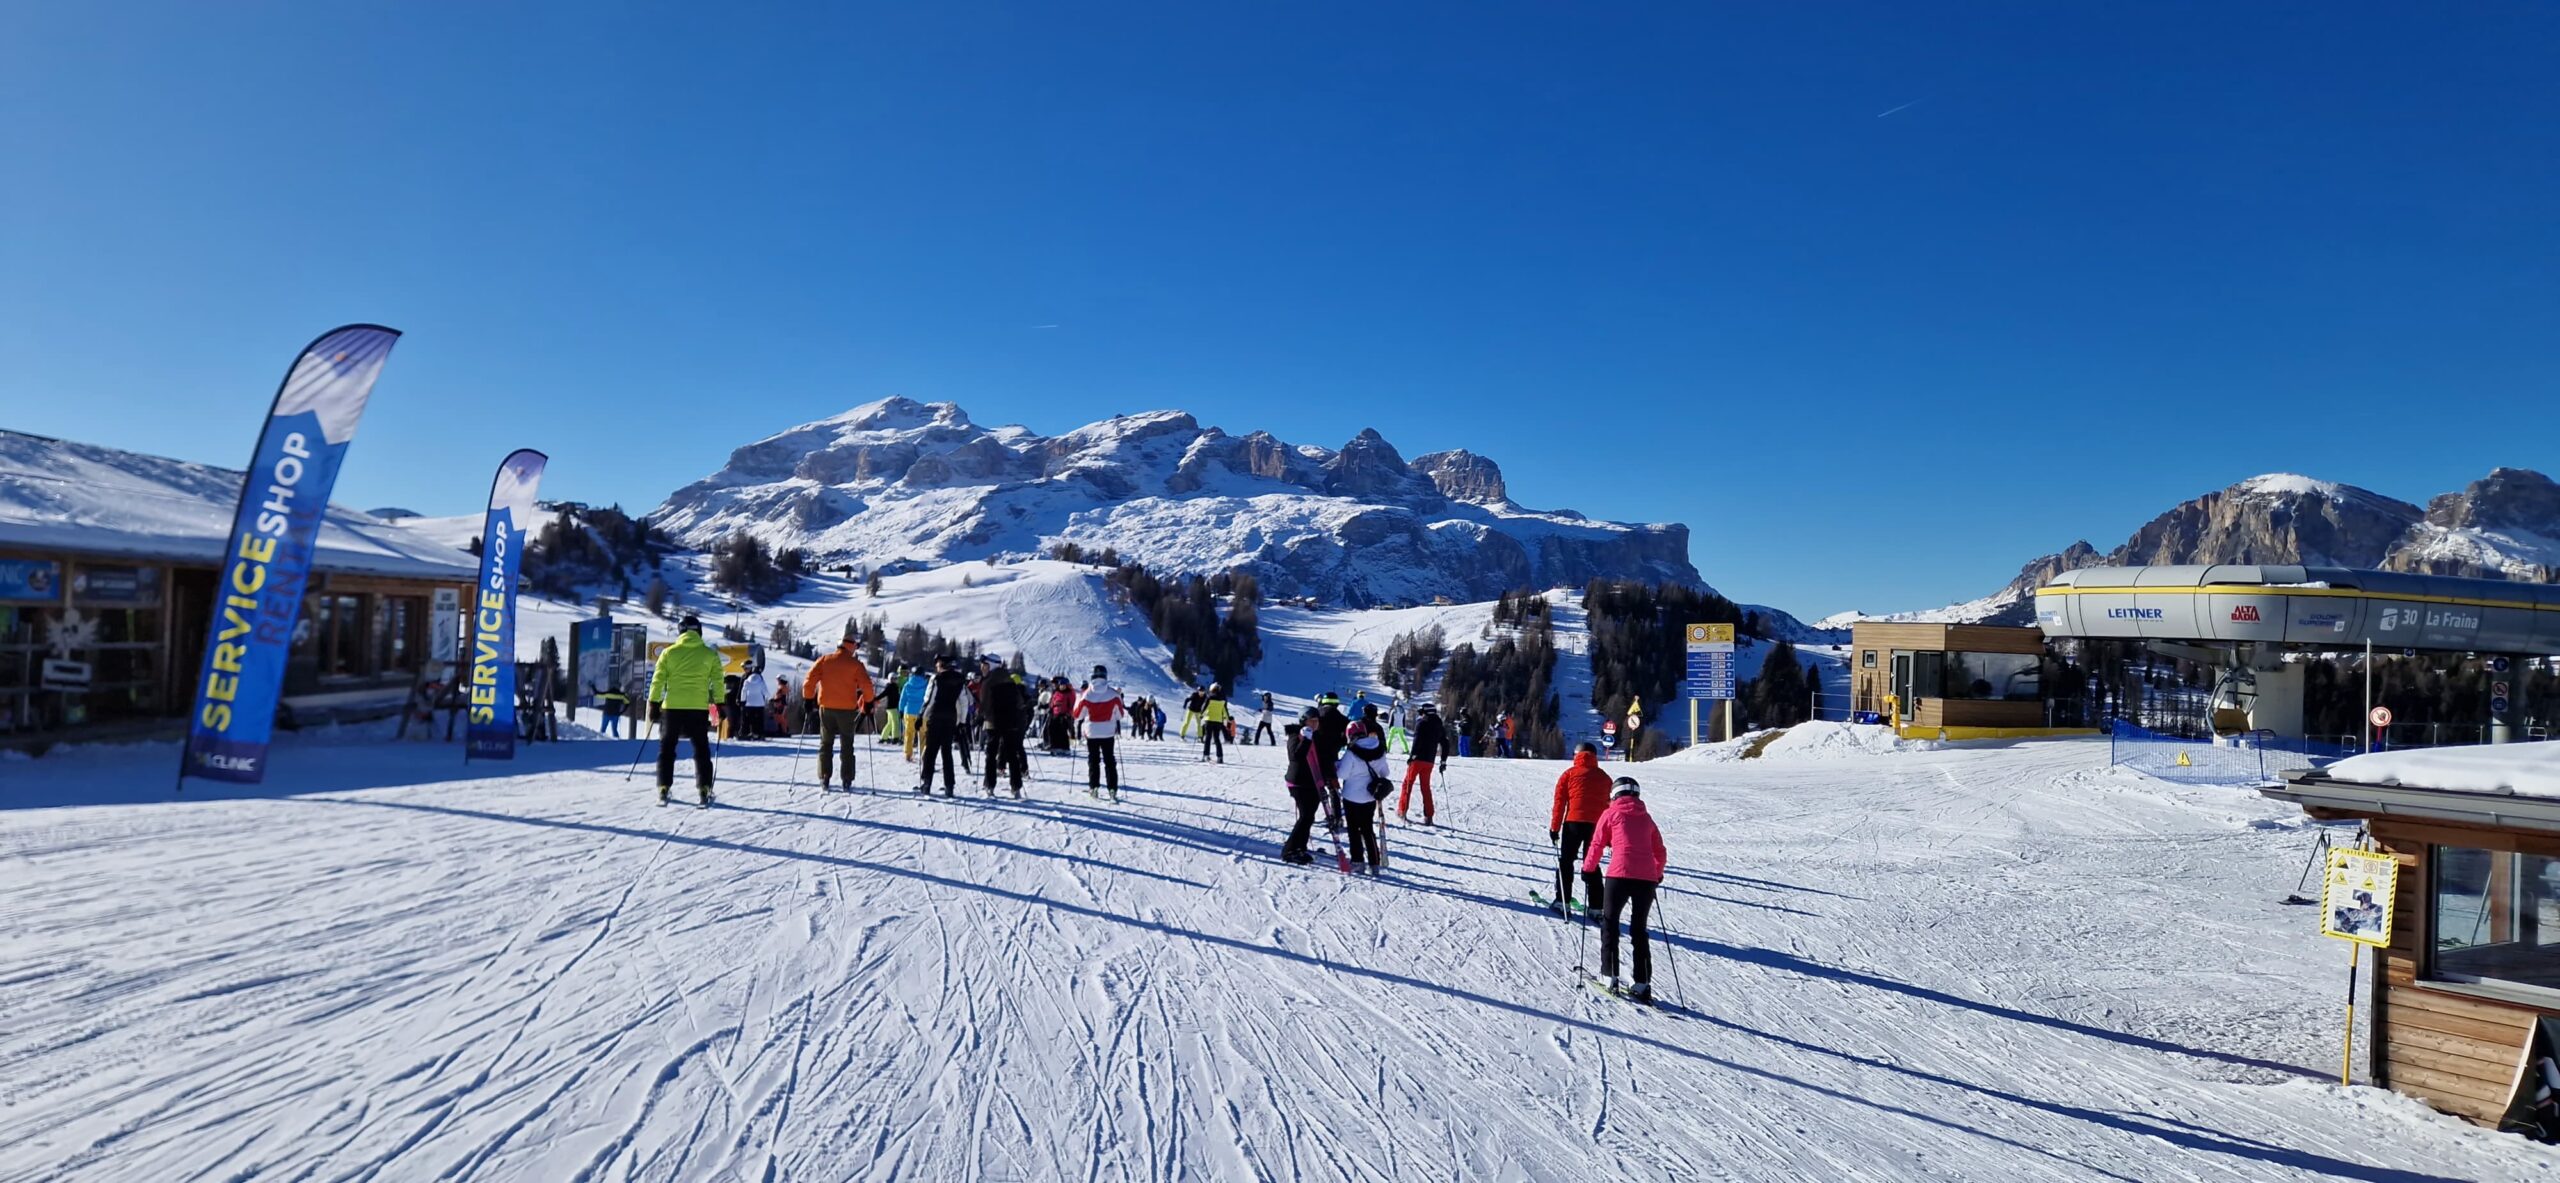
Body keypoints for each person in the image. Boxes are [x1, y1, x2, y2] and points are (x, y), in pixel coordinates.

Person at [1583, 776, 1668, 1001]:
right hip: (1646, 879)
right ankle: (1642, 982)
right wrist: (1657, 874)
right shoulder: (1647, 819)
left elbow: (1597, 843)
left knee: (1610, 923)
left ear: (1614, 795)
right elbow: (1660, 851)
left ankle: (1609, 975)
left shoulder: (1610, 814)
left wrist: (1588, 868)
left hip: (1619, 875)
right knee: (1639, 930)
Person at [648, 615, 726, 806]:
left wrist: (654, 704)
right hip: (697, 709)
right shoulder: (709, 655)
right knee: (701, 749)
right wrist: (720, 704)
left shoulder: (669, 653)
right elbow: (717, 681)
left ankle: (663, 788)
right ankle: (704, 789)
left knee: (667, 749)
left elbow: (658, 681)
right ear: (699, 631)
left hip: (671, 709)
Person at [803, 630, 877, 791]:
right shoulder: (855, 665)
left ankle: (824, 777)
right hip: (847, 710)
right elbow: (867, 686)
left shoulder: (824, 660)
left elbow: (809, 681)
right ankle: (847, 779)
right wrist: (869, 702)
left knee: (826, 743)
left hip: (826, 708)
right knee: (847, 744)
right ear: (851, 648)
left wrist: (808, 699)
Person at [1547, 742, 1613, 913]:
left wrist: (1554, 829)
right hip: (1596, 827)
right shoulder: (1604, 777)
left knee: (1566, 862)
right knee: (1591, 863)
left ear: (1576, 755)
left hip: (1573, 824)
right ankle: (1597, 907)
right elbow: (1610, 808)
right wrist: (1610, 835)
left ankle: (1563, 901)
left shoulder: (1568, 775)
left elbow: (1559, 804)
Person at [1336, 723, 1391, 874]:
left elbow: (1342, 775)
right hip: (1370, 796)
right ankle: (1374, 862)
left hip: (1351, 796)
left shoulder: (1352, 751)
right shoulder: (1378, 748)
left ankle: (1358, 861)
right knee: (1367, 829)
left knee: (1353, 829)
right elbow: (1385, 772)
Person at [977, 656, 1031, 797]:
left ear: (992, 666)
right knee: (1012, 755)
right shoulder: (1009, 679)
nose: (982, 668)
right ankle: (1016, 787)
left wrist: (979, 717)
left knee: (991, 755)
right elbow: (1019, 702)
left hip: (993, 722)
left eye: (985, 665)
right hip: (1010, 723)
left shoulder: (988, 682)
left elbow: (984, 704)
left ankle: (989, 785)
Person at [916, 655, 969, 795]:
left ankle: (926, 783)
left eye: (937, 665)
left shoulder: (936, 679)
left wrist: (921, 716)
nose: (936, 667)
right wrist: (962, 721)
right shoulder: (959, 679)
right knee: (947, 753)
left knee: (931, 752)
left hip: (936, 716)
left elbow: (929, 699)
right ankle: (949, 786)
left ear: (941, 665)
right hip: (950, 718)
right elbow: (964, 702)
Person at [1075, 664, 1125, 800]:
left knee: (1093, 761)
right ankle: (1112, 790)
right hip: (1108, 732)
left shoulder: (1086, 694)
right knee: (1109, 761)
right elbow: (1120, 715)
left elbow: (1077, 715)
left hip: (1091, 732)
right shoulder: (1114, 694)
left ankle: (1094, 788)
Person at [1279, 717, 1323, 865]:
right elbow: (1295, 756)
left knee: (1309, 817)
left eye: (1317, 721)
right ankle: (1289, 850)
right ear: (1304, 721)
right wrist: (1306, 739)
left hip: (1313, 782)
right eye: (1312, 721)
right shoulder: (1295, 735)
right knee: (1305, 817)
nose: (1315, 724)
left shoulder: (1316, 735)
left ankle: (1300, 847)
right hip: (1298, 782)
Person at [1398, 701, 1448, 824]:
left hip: (1418, 759)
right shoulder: (1439, 725)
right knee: (1425, 787)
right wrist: (1443, 761)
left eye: (1421, 712)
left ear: (1425, 712)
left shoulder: (1422, 723)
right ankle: (1429, 816)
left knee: (1407, 784)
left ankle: (1402, 811)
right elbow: (1445, 743)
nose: (1420, 715)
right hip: (1430, 761)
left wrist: (1412, 756)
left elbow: (1417, 741)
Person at [1313, 693, 1351, 798]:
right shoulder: (1342, 719)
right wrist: (1339, 743)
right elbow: (1347, 737)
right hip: (1331, 755)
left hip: (1314, 755)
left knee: (1313, 783)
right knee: (1332, 784)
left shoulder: (1316, 715)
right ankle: (1336, 811)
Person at [899, 659, 932, 762]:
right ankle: (923, 755)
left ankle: (908, 755)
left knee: (909, 734)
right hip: (922, 713)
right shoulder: (926, 685)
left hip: (908, 712)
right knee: (923, 735)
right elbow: (928, 698)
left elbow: (902, 699)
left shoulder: (907, 685)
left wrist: (900, 710)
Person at [1045, 677, 1076, 754]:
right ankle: (1054, 745)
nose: (1062, 687)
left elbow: (1071, 705)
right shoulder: (1057, 692)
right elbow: (1052, 701)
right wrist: (1050, 708)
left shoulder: (1069, 693)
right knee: (1052, 728)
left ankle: (1065, 747)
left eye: (1064, 685)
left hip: (1064, 714)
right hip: (1055, 713)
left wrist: (1068, 714)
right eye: (1061, 685)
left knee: (1062, 730)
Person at [1200, 684, 1231, 764]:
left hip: (1209, 720)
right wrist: (1228, 719)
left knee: (1208, 738)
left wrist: (1201, 715)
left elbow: (1205, 707)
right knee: (1217, 739)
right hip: (1218, 721)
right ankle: (1220, 757)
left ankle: (1206, 755)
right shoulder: (1223, 700)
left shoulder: (1209, 698)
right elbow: (1224, 711)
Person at [740, 666, 770, 740]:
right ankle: (759, 734)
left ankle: (746, 734)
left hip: (749, 704)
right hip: (759, 704)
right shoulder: (761, 681)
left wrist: (743, 700)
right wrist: (769, 698)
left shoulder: (746, 681)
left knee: (748, 720)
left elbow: (743, 691)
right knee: (759, 720)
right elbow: (765, 692)